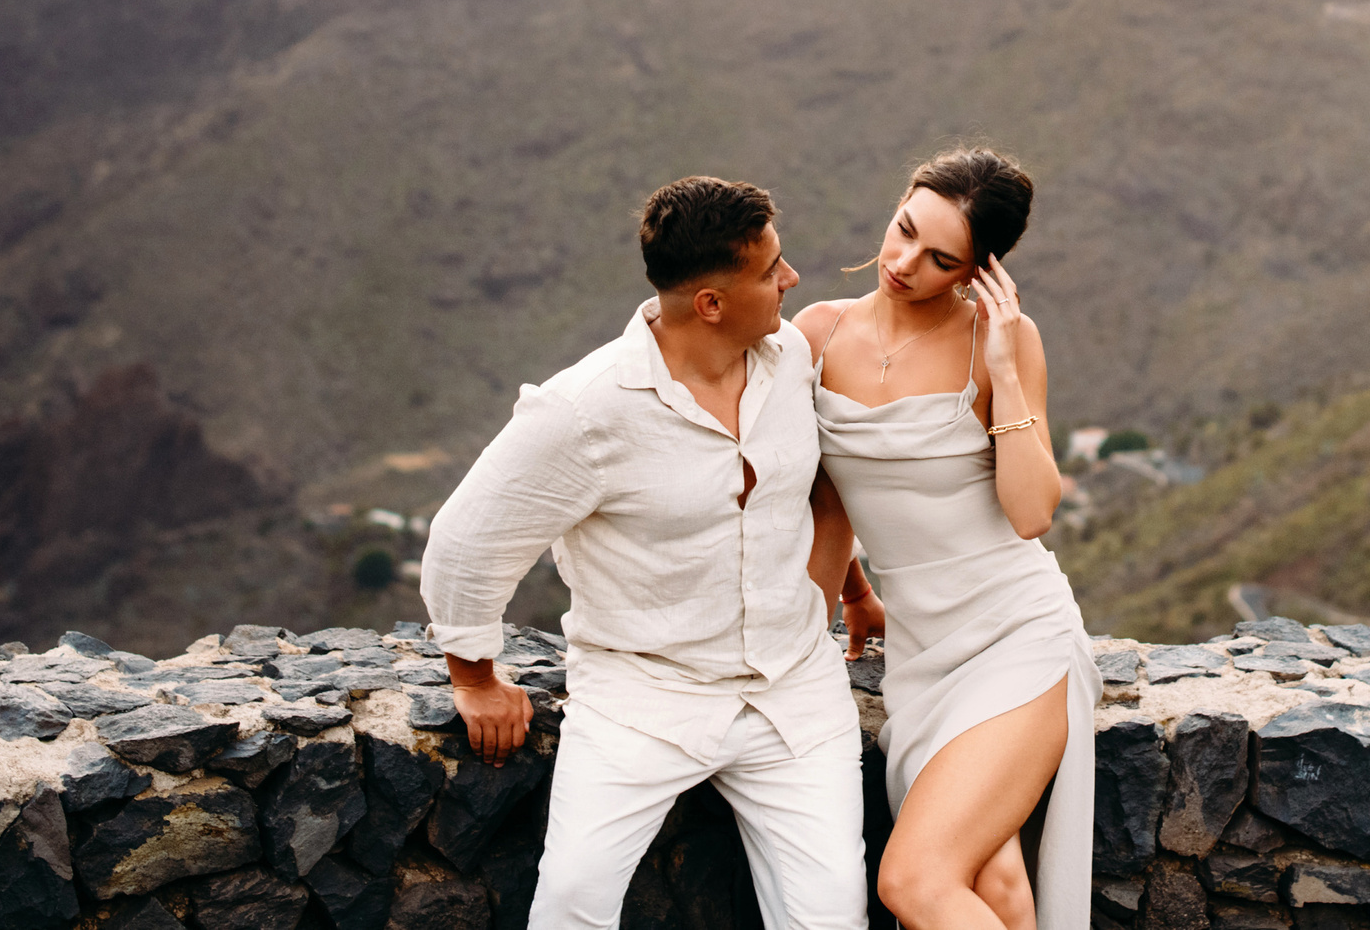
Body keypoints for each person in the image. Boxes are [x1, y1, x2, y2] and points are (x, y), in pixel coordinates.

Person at [420, 176, 866, 930]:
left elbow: (809, 485)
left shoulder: (790, 358)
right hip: (643, 695)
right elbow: (466, 541)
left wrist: (847, 590)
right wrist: (474, 676)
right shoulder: (585, 409)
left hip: (794, 690)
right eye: (771, 269)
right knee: (572, 902)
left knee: (828, 917)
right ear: (711, 303)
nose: (791, 279)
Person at [798, 148, 1093, 930]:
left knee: (917, 879)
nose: (903, 263)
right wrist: (845, 605)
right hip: (923, 657)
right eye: (903, 231)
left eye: (939, 258)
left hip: (1016, 636)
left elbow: (1031, 512)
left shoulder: (1003, 340)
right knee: (991, 884)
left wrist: (1002, 357)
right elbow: (828, 509)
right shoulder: (818, 334)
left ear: (976, 270)